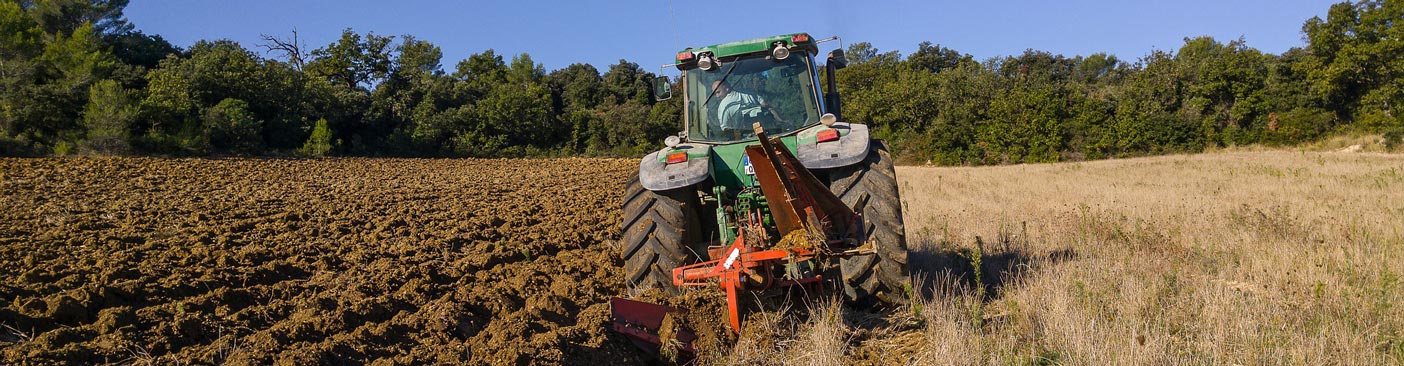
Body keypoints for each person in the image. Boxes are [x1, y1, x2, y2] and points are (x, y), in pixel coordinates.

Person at [712, 80, 786, 136]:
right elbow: (767, 107)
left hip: (744, 139)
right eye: (715, 93)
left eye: (718, 92)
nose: (717, 96)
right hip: (768, 133)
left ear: (727, 88)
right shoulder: (749, 92)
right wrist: (781, 121)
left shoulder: (723, 105)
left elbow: (725, 129)